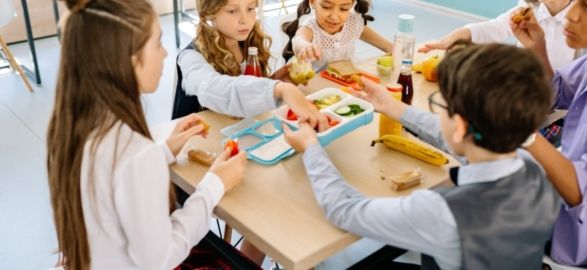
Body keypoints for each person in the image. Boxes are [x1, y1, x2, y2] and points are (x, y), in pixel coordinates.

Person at [283, 42, 561, 269]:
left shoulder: (441, 212)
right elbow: (460, 139)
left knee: (326, 257)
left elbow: (343, 210)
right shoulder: (531, 168)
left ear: (461, 124)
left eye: (442, 104)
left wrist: (311, 147)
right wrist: (394, 108)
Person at [47, 0, 250, 269]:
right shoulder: (136, 153)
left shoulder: (78, 126)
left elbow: (115, 180)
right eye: (157, 43)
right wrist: (215, 184)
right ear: (128, 59)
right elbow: (160, 258)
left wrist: (163, 151)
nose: (166, 54)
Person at [512, 0, 587, 266]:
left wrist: (525, 134)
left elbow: (584, 194)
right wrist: (537, 48)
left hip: (579, 235)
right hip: (560, 203)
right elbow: (555, 90)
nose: (571, 15)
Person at [178, 0, 328, 131]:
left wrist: (273, 81)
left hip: (240, 132)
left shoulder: (247, 42)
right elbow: (214, 88)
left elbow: (246, 93)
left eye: (250, 8)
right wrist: (278, 89)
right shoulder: (190, 57)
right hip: (201, 139)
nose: (245, 20)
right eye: (232, 11)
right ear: (208, 13)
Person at [419, 0, 577, 69]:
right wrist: (463, 33)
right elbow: (497, 27)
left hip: (556, 111)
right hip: (523, 92)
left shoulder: (583, 21)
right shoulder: (529, 7)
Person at [281, 0, 392, 69]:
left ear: (352, 4)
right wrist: (305, 46)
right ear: (313, 2)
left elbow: (386, 45)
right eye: (326, 6)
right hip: (317, 86)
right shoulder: (310, 27)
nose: (334, 17)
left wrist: (392, 48)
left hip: (346, 82)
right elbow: (298, 40)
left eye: (343, 8)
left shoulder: (353, 22)